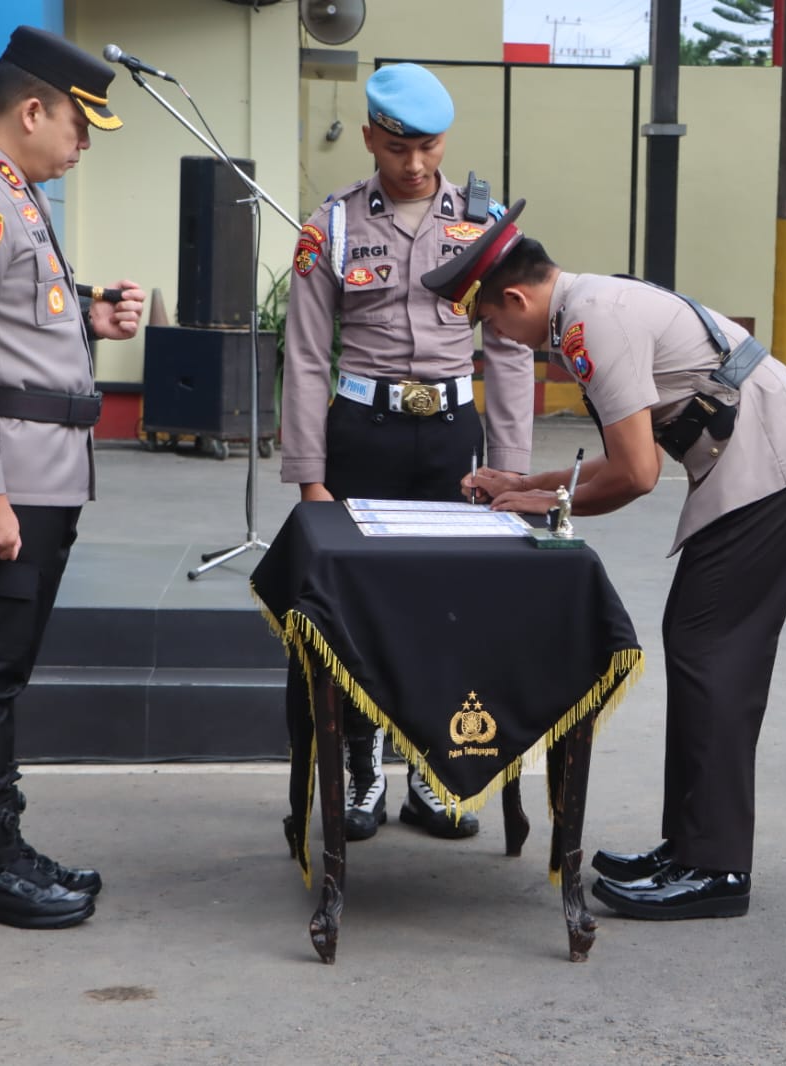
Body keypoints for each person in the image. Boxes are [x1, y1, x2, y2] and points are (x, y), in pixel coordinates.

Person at [432, 201, 786, 920]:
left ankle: (714, 868)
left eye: (492, 322)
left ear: (516, 299)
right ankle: (690, 844)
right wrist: (526, 485)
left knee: (712, 653)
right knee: (700, 645)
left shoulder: (590, 324)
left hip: (773, 465)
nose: (498, 338)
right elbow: (626, 460)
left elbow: (635, 474)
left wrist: (544, 503)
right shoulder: (585, 304)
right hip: (760, 459)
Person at [0, 25, 143, 929]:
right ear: (33, 109)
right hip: (7, 482)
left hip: (42, 476)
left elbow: (21, 324)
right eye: (79, 127)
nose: (82, 144)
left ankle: (2, 846)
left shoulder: (16, 198)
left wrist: (91, 315)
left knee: (1, 672)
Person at [282, 62, 536, 842]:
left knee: (450, 609)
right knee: (356, 612)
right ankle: (360, 769)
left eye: (428, 147)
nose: (416, 165)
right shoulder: (331, 228)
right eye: (398, 148)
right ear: (369, 139)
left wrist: (516, 474)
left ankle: (437, 771)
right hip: (365, 437)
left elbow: (514, 350)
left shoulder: (484, 226)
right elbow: (303, 356)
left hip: (456, 441)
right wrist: (309, 478)